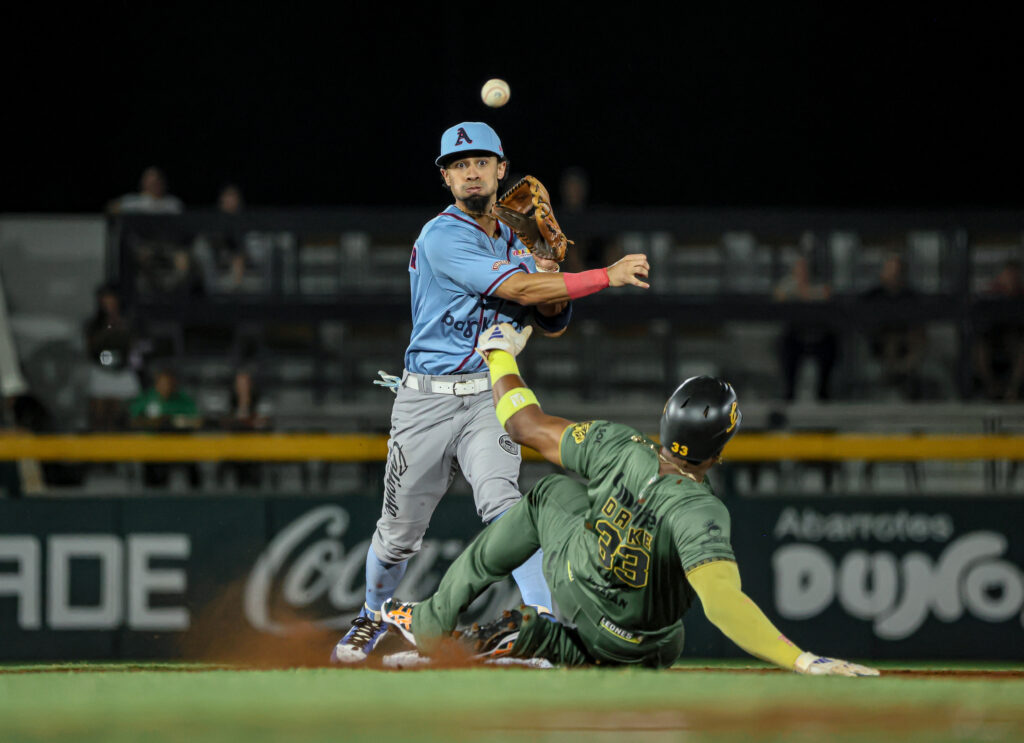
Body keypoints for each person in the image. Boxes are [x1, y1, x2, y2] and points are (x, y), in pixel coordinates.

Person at [379, 322, 879, 677]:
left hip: (578, 583)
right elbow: (723, 604)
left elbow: (523, 424)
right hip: (638, 642)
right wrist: (799, 658)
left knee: (550, 491)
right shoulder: (701, 511)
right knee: (668, 636)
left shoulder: (619, 445)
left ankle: (444, 624)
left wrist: (499, 354)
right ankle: (539, 638)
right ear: (718, 449)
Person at [330, 121, 652, 662]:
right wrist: (603, 275)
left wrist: (552, 265)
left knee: (507, 508)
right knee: (397, 534)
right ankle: (371, 614)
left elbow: (551, 319)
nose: (470, 171)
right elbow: (517, 288)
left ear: (502, 170)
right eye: (459, 165)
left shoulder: (512, 240)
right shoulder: (442, 235)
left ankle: (546, 628)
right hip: (425, 399)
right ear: (446, 179)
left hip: (486, 394)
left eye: (481, 161)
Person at [860, 254, 926, 399]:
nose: (894, 275)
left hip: (907, 341)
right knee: (891, 340)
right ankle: (895, 375)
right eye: (890, 270)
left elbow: (919, 322)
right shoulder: (873, 295)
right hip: (880, 340)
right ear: (882, 272)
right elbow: (865, 320)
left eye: (897, 271)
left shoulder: (911, 295)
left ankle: (900, 374)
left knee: (914, 339)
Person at [774, 255, 837, 400]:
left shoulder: (818, 284)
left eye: (804, 269)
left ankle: (823, 393)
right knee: (785, 345)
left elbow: (826, 294)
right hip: (796, 335)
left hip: (818, 334)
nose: (802, 272)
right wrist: (805, 294)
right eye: (799, 269)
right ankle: (789, 393)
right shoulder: (788, 284)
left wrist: (804, 293)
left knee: (831, 344)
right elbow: (779, 295)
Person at [129, 368, 201, 488]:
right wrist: (152, 422)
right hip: (153, 446)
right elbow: (133, 419)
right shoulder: (148, 397)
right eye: (162, 383)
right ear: (156, 384)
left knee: (193, 467)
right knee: (153, 469)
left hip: (179, 446)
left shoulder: (182, 398)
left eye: (169, 383)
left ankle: (196, 498)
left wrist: (177, 421)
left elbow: (197, 420)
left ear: (174, 384)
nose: (166, 387)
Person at [84, 284, 141, 430]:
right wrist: (107, 330)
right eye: (105, 300)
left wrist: (120, 328)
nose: (109, 303)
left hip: (122, 371)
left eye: (112, 299)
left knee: (122, 413)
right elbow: (90, 348)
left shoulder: (128, 321)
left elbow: (134, 346)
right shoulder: (94, 324)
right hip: (101, 370)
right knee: (100, 412)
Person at [973, 259, 1024, 401]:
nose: (1011, 279)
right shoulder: (990, 294)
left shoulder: (1021, 295)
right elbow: (979, 320)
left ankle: (1012, 389)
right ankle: (991, 387)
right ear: (1001, 276)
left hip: (1013, 338)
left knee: (1021, 348)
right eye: (1009, 275)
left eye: (1015, 276)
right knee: (980, 348)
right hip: (990, 337)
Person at [108, 166, 184, 214]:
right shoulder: (134, 201)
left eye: (157, 182)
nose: (155, 186)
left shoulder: (173, 203)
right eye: (151, 183)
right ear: (143, 183)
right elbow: (112, 208)